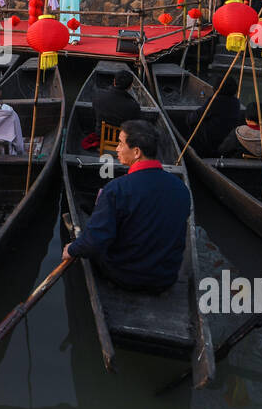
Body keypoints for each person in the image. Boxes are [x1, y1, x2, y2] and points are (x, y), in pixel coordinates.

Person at [63, 119, 189, 291]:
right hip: (166, 279)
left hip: (125, 276)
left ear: (136, 152)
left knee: (93, 234)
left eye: (121, 144)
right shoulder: (181, 188)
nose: (117, 149)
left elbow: (94, 241)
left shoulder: (116, 189)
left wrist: (72, 249)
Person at [184, 70, 243, 157]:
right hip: (226, 137)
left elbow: (198, 116)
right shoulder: (236, 102)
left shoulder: (215, 101)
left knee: (192, 124)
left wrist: (188, 118)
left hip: (210, 141)